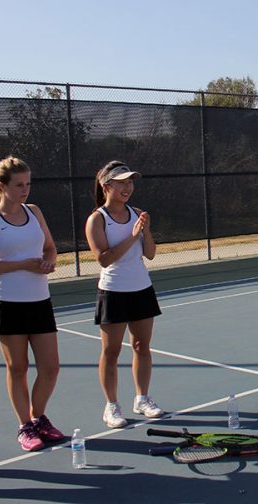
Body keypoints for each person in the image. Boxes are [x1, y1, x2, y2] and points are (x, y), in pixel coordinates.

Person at [0, 156, 64, 451]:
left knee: (50, 367)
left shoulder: (34, 212)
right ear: (1, 186)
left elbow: (49, 247)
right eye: (19, 185)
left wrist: (48, 261)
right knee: (18, 368)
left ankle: (38, 418)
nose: (25, 190)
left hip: (39, 301)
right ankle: (25, 426)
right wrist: (24, 264)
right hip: (7, 303)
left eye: (28, 184)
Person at [85, 161, 164, 428]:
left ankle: (142, 398)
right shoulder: (97, 219)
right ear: (106, 186)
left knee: (142, 346)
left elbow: (150, 253)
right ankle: (112, 406)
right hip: (113, 292)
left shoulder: (137, 213)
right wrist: (131, 236)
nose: (127, 187)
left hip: (141, 288)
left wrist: (146, 229)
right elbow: (104, 259)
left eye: (130, 182)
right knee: (112, 351)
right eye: (121, 182)